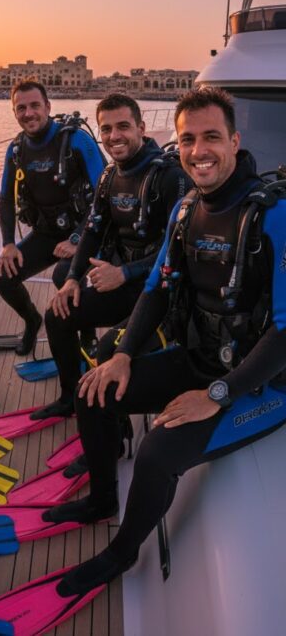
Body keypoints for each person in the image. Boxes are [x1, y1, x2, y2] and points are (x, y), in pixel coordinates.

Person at [41, 87, 286, 603]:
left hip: (259, 384)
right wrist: (124, 355)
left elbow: (285, 334)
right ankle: (103, 500)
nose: (200, 150)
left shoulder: (274, 216)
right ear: (176, 143)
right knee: (95, 387)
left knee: (156, 453)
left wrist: (217, 394)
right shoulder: (185, 212)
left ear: (236, 141)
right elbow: (155, 289)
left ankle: (123, 551)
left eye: (212, 137)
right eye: (188, 139)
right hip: (200, 356)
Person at [39, 92, 191, 418]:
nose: (113, 137)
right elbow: (93, 230)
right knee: (57, 315)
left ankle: (113, 428)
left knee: (108, 350)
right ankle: (69, 398)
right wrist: (71, 280)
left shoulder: (170, 178)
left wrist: (124, 273)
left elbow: (178, 253)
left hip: (161, 292)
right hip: (124, 282)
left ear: (141, 127)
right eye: (105, 129)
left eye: (123, 126)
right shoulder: (110, 176)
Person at [0, 80, 105, 356]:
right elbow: (6, 198)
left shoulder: (77, 140)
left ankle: (86, 333)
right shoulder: (16, 150)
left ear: (48, 107)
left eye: (34, 106)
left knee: (64, 275)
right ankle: (32, 321)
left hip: (86, 231)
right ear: (14, 112)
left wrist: (78, 239)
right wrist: (8, 244)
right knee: (3, 276)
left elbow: (105, 195)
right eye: (21, 108)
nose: (28, 113)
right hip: (46, 233)